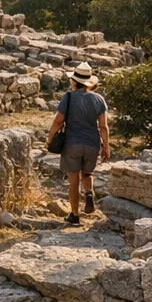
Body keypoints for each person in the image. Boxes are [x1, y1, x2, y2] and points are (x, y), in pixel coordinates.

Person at [44, 61, 110, 226]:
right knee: (87, 173)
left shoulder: (69, 96)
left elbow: (59, 120)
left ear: (74, 81)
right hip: (92, 144)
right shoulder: (99, 99)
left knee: (73, 178)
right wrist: (106, 147)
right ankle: (89, 193)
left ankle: (74, 214)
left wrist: (50, 138)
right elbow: (103, 126)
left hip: (72, 143)